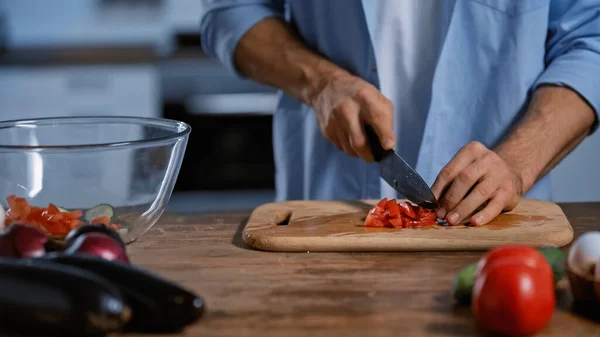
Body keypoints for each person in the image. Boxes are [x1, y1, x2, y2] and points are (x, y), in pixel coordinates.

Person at [199, 0, 599, 226]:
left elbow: (591, 39)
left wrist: (517, 162)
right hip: (321, 220)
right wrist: (320, 82)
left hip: (495, 236)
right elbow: (231, 10)